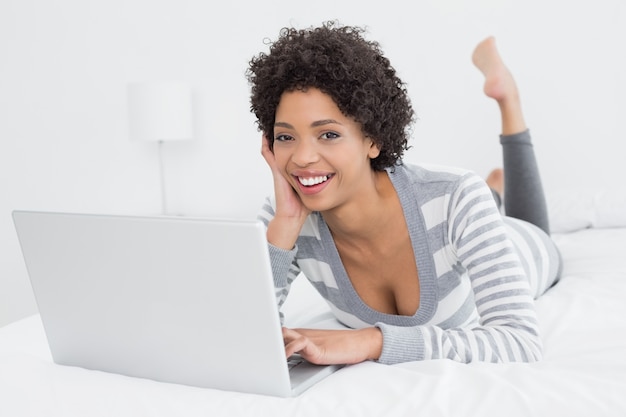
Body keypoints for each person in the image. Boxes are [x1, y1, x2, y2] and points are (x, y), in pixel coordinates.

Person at [246, 21, 562, 366]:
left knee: (536, 227)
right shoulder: (285, 216)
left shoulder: (457, 196)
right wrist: (286, 225)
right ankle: (496, 189)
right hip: (453, 220)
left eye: (329, 135)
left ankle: (508, 101)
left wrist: (373, 342)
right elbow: (241, 332)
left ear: (373, 139)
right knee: (491, 200)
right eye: (286, 137)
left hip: (522, 245)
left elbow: (520, 344)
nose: (303, 158)